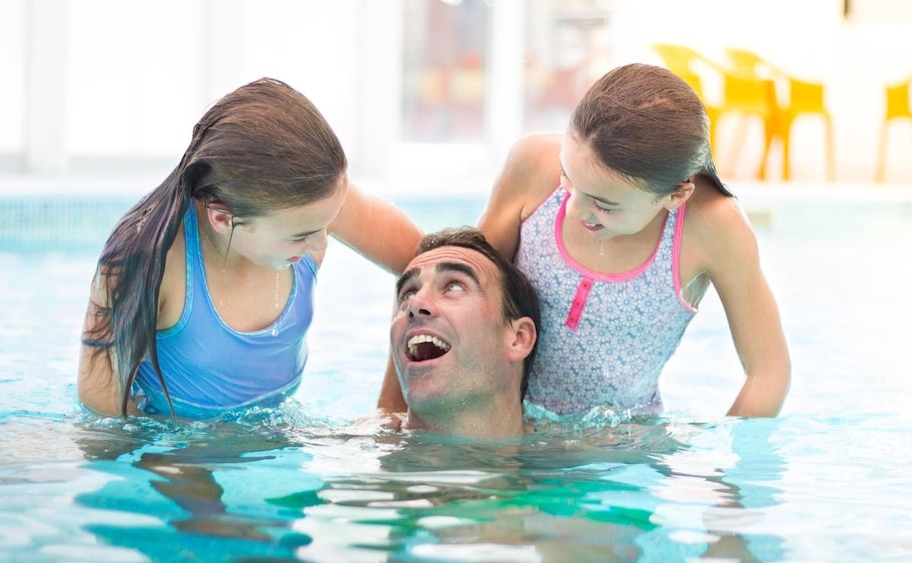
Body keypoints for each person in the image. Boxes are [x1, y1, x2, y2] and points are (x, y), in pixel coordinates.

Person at [78, 78, 423, 418]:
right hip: (179, 439)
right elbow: (103, 405)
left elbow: (425, 263)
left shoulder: (318, 204)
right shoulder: (148, 260)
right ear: (223, 219)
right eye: (301, 235)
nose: (322, 242)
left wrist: (392, 405)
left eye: (327, 224)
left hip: (282, 427)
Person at [477, 63, 790, 417]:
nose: (574, 210)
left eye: (603, 204)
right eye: (567, 175)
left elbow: (768, 373)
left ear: (674, 196)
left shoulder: (712, 226)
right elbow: (459, 294)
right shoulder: (532, 164)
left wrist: (728, 455)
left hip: (623, 441)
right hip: (504, 421)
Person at [389, 227, 540, 439]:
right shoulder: (351, 448)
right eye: (408, 294)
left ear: (518, 339)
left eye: (454, 287)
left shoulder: (579, 451)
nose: (415, 303)